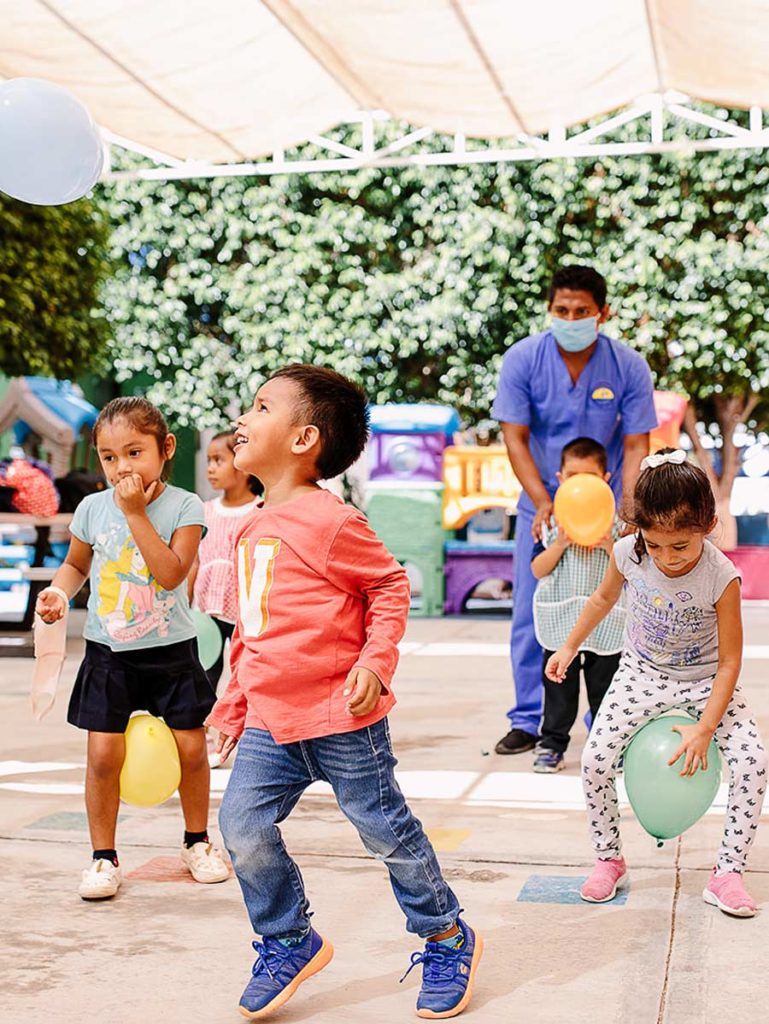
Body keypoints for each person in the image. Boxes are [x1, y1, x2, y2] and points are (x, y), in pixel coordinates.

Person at [208, 365, 482, 1021]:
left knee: (386, 834)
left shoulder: (332, 521)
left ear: (303, 439)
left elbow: (388, 589)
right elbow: (253, 627)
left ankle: (446, 937)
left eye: (260, 406)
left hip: (341, 720)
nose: (243, 419)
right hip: (271, 724)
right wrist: (233, 703)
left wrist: (376, 662)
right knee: (241, 829)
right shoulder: (249, 527)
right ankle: (288, 939)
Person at [546, 449, 767, 915]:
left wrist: (706, 729)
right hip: (642, 674)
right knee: (594, 761)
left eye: (680, 547)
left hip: (706, 680)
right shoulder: (629, 550)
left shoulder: (721, 576)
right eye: (656, 544)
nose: (666, 558)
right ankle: (609, 859)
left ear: (706, 525)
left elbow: (729, 662)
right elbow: (603, 598)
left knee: (753, 762)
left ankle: (727, 873)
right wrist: (569, 646)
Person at [35, 397, 229, 900]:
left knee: (190, 747)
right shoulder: (92, 508)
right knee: (102, 754)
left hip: (172, 649)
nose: (122, 467)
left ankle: (197, 841)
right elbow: (76, 566)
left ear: (165, 450)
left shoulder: (186, 506)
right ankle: (103, 857)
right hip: (108, 651)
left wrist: (136, 513)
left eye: (134, 453)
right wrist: (58, 592)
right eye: (109, 456)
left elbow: (169, 575)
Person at [492, 264, 658, 756]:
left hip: (607, 510)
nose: (571, 318)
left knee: (612, 611)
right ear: (550, 310)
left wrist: (629, 512)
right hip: (542, 506)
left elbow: (635, 446)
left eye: (582, 311)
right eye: (562, 310)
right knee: (534, 611)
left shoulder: (628, 366)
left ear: (602, 313)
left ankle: (605, 722)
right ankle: (529, 719)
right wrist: (543, 501)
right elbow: (514, 437)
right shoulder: (523, 360)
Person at [531, 437, 625, 773]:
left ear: (606, 480)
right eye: (572, 477)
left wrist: (609, 545)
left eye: (589, 477)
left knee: (606, 690)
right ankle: (552, 744)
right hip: (562, 621)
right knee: (559, 690)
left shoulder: (619, 527)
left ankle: (608, 746)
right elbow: (537, 569)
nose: (580, 485)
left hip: (606, 622)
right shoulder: (553, 523)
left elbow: (630, 570)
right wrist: (559, 544)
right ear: (560, 479)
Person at [189, 430, 262, 691]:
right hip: (207, 607)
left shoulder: (260, 511)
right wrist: (185, 607)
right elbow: (193, 562)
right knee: (205, 670)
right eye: (208, 461)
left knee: (246, 671)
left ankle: (243, 724)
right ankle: (204, 723)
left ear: (243, 463)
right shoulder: (204, 511)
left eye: (218, 460)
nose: (210, 468)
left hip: (244, 612)